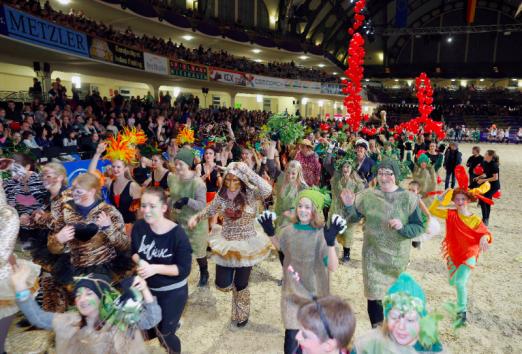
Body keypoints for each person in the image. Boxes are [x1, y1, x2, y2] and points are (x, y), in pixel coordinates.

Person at [258, 189, 344, 354]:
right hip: (292, 294)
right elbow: (281, 246)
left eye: (308, 207)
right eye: (300, 206)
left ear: (315, 211)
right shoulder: (288, 230)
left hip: (315, 297)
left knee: (310, 343)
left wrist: (331, 243)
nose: (303, 210)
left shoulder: (321, 235)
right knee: (291, 345)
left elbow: (333, 266)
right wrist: (270, 233)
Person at [340, 159, 424, 328]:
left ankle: (393, 331)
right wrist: (349, 206)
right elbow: (354, 217)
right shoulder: (368, 194)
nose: (384, 177)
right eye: (380, 173)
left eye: (388, 173)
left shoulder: (408, 198)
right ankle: (377, 333)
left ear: (396, 176)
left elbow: (418, 227)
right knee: (373, 295)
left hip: (396, 258)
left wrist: (403, 227)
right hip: (372, 254)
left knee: (393, 297)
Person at [188, 161, 272, 327]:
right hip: (226, 242)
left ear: (242, 181)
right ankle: (235, 290)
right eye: (228, 180)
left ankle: (241, 314)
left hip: (247, 243)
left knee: (241, 285)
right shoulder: (222, 196)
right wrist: (196, 217)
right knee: (222, 284)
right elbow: (210, 210)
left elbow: (267, 190)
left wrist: (248, 171)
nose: (231, 184)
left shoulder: (250, 194)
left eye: (235, 180)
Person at [11, 267, 161, 354]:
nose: (82, 299)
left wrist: (145, 290)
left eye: (89, 294)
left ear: (103, 298)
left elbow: (151, 319)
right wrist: (20, 288)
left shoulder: (119, 319)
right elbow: (38, 318)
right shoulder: (71, 321)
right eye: (78, 294)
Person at [132, 187, 192, 354]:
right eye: (144, 206)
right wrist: (141, 262)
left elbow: (183, 269)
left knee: (165, 334)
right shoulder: (139, 227)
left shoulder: (177, 235)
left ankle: (171, 327)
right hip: (148, 290)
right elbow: (134, 253)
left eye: (152, 206)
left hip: (172, 292)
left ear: (164, 208)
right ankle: (170, 322)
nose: (146, 210)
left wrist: (154, 268)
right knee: (146, 328)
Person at [47, 173, 130, 285]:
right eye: (73, 190)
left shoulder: (109, 212)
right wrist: (58, 240)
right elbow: (53, 248)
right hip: (75, 271)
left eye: (79, 192)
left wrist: (108, 227)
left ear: (92, 191)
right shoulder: (66, 212)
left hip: (105, 270)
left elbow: (124, 246)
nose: (73, 194)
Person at [429, 186, 492, 327]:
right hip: (453, 253)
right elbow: (432, 210)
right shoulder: (450, 214)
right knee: (453, 282)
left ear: (468, 200)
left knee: (459, 283)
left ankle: (461, 313)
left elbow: (485, 233)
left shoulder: (475, 219)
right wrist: (439, 198)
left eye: (463, 199)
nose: (460, 201)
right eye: (457, 199)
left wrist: (484, 238)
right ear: (453, 201)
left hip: (470, 252)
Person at [351, 273, 446, 353]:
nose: (401, 326)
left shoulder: (433, 350)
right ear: (387, 317)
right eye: (395, 317)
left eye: (410, 319)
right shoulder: (368, 344)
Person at [168, 148, 209, 287]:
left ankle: (204, 272)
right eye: (176, 163)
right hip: (178, 221)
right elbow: (172, 195)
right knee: (179, 250)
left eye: (181, 164)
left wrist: (186, 200)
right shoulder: (172, 178)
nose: (177, 167)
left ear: (188, 164)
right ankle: (180, 275)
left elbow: (202, 205)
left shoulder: (198, 183)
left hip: (196, 223)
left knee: (199, 252)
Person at [89, 141, 142, 229]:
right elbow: (90, 175)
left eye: (118, 167)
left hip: (131, 226)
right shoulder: (110, 183)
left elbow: (140, 212)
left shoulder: (133, 186)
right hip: (114, 226)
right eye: (113, 167)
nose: (115, 169)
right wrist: (97, 153)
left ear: (125, 169)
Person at [329, 160, 364, 263]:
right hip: (338, 210)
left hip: (350, 211)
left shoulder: (357, 183)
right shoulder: (336, 180)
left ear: (352, 169)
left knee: (348, 233)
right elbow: (327, 164)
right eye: (344, 167)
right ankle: (332, 253)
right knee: (335, 232)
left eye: (348, 167)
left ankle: (346, 254)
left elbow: (360, 197)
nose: (346, 169)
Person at [474, 150, 500, 226]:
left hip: (494, 186)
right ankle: (485, 218)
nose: (484, 155)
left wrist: (483, 180)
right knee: (486, 201)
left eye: (485, 154)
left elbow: (495, 178)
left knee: (483, 199)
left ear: (490, 156)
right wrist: (479, 177)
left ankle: (485, 219)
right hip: (487, 185)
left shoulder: (494, 165)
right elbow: (486, 174)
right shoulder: (485, 163)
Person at [200, 146, 223, 228]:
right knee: (203, 224)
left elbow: (221, 185)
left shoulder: (218, 166)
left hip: (214, 197)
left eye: (210, 153)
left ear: (214, 156)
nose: (208, 155)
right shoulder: (199, 166)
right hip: (202, 197)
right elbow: (196, 183)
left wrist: (218, 175)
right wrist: (206, 174)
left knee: (212, 224)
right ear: (203, 156)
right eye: (206, 153)